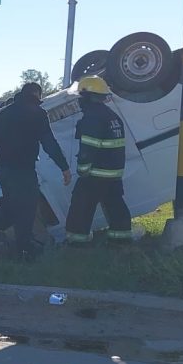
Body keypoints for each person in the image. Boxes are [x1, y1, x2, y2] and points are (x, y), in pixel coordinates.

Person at [0, 82, 72, 260]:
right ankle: (24, 249)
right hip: (22, 169)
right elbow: (49, 143)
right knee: (27, 208)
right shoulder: (38, 114)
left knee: (10, 205)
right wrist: (64, 167)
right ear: (37, 94)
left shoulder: (3, 114)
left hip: (3, 168)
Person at [65, 76, 132, 244]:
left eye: (81, 96)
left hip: (96, 173)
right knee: (115, 206)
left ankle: (77, 243)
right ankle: (121, 240)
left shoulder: (92, 118)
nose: (79, 100)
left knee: (81, 207)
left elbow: (88, 149)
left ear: (88, 97)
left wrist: (83, 169)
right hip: (114, 174)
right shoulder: (112, 116)